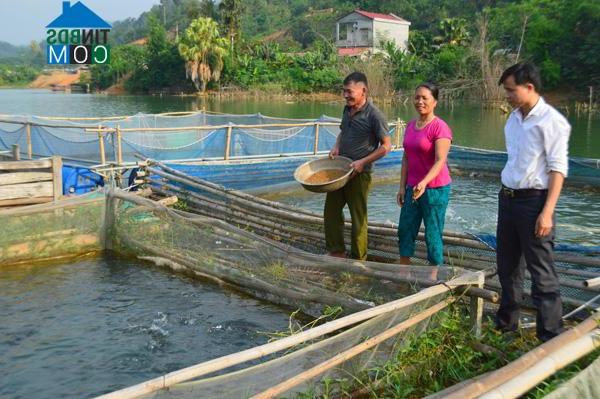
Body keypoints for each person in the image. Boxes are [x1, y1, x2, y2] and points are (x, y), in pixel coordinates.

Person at [495, 63, 570, 342]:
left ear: (529, 87)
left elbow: (557, 169)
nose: (508, 96)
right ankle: (506, 327)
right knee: (508, 266)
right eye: (506, 91)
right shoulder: (513, 118)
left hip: (534, 203)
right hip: (509, 198)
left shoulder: (552, 122)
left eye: (511, 90)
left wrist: (547, 212)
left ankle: (550, 336)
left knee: (541, 272)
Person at [325, 72, 391, 260]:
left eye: (349, 91)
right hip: (340, 170)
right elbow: (342, 133)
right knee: (331, 211)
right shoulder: (347, 110)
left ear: (363, 90)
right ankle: (336, 251)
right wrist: (336, 147)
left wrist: (363, 162)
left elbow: (386, 146)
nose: (345, 95)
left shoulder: (375, 115)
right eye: (344, 91)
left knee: (358, 217)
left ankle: (358, 258)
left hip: (360, 173)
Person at [396, 82, 452, 266]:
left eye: (425, 98)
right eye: (417, 97)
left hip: (435, 189)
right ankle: (404, 268)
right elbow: (406, 157)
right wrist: (402, 187)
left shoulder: (440, 128)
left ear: (435, 102)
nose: (420, 101)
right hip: (413, 187)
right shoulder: (411, 126)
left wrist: (424, 182)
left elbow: (440, 160)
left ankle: (435, 274)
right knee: (405, 228)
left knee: (432, 233)